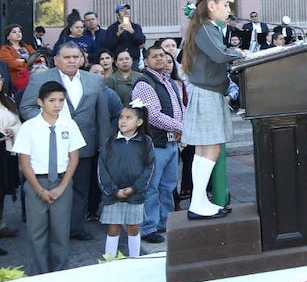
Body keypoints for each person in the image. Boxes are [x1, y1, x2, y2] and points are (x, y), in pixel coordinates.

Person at [19, 42, 109, 241]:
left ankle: (75, 227)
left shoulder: (92, 80)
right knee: (54, 185)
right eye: (67, 57)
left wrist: (103, 141)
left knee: (80, 187)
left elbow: (101, 112)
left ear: (82, 59)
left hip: (84, 143)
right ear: (57, 60)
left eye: (76, 57)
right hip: (49, 145)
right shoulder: (41, 79)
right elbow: (26, 108)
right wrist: (51, 123)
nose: (72, 61)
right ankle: (52, 229)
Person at [181, 0, 245, 220]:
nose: (229, 9)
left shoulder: (205, 27)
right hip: (207, 93)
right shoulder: (207, 28)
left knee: (203, 150)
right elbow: (219, 55)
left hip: (206, 91)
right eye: (226, 4)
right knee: (212, 148)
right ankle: (197, 202)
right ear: (211, 5)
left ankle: (198, 200)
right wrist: (241, 54)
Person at [12, 81, 85, 274]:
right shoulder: (29, 127)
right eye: (52, 100)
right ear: (40, 102)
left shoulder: (69, 125)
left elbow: (74, 157)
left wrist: (62, 186)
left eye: (61, 100)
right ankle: (39, 274)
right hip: (37, 182)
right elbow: (24, 162)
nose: (57, 105)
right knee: (37, 233)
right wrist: (39, 189)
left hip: (62, 181)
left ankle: (59, 272)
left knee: (61, 232)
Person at [131, 44, 185, 242]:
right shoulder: (145, 83)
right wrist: (180, 127)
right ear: (146, 61)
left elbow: (179, 108)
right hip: (155, 143)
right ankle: (148, 228)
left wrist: (181, 127)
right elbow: (152, 115)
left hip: (172, 143)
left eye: (162, 55)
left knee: (168, 185)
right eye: (154, 56)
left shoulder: (170, 81)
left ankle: (165, 222)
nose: (160, 59)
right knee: (152, 187)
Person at [97, 100, 154, 259]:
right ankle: (109, 259)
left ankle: (135, 259)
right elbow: (102, 169)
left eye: (129, 117)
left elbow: (150, 168)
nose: (123, 120)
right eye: (121, 117)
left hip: (135, 194)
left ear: (139, 122)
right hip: (113, 195)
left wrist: (134, 188)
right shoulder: (110, 142)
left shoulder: (145, 142)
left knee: (133, 228)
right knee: (113, 228)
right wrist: (113, 190)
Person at [0, 76, 21, 249]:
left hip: (6, 152)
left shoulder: (8, 101)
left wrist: (12, 130)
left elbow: (17, 122)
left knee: (1, 192)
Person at [0, 24, 37, 92]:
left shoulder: (28, 47)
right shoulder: (5, 49)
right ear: (8, 37)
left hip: (34, 78)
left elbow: (38, 60)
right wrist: (29, 62)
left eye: (19, 32)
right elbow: (11, 64)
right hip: (18, 80)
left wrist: (22, 61)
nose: (18, 34)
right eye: (14, 32)